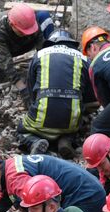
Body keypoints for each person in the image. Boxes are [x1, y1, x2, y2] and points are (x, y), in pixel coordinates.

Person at [17, 29, 95, 159]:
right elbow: (90, 96)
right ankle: (66, 139)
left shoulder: (39, 55)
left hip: (42, 116)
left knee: (22, 130)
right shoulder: (84, 59)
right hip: (71, 121)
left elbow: (32, 91)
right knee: (79, 120)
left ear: (50, 43)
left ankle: (34, 141)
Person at [0, 3, 53, 85]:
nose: (27, 34)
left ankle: (54, 57)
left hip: (25, 43)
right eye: (23, 32)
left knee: (44, 15)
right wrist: (18, 83)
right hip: (7, 48)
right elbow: (4, 59)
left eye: (29, 30)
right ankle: (0, 76)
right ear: (11, 25)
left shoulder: (30, 21)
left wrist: (46, 67)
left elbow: (41, 46)